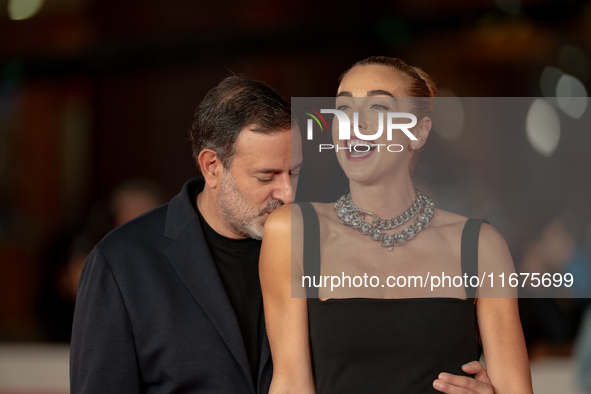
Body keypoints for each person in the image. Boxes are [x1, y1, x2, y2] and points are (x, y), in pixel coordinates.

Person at [260, 57, 533, 393]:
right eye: (343, 108)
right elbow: (289, 382)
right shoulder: (293, 230)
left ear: (418, 132)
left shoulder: (480, 245)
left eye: (378, 106)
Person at [70, 75, 301, 393]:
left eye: (294, 172)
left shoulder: (309, 244)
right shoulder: (122, 263)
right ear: (211, 167)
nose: (288, 193)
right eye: (267, 176)